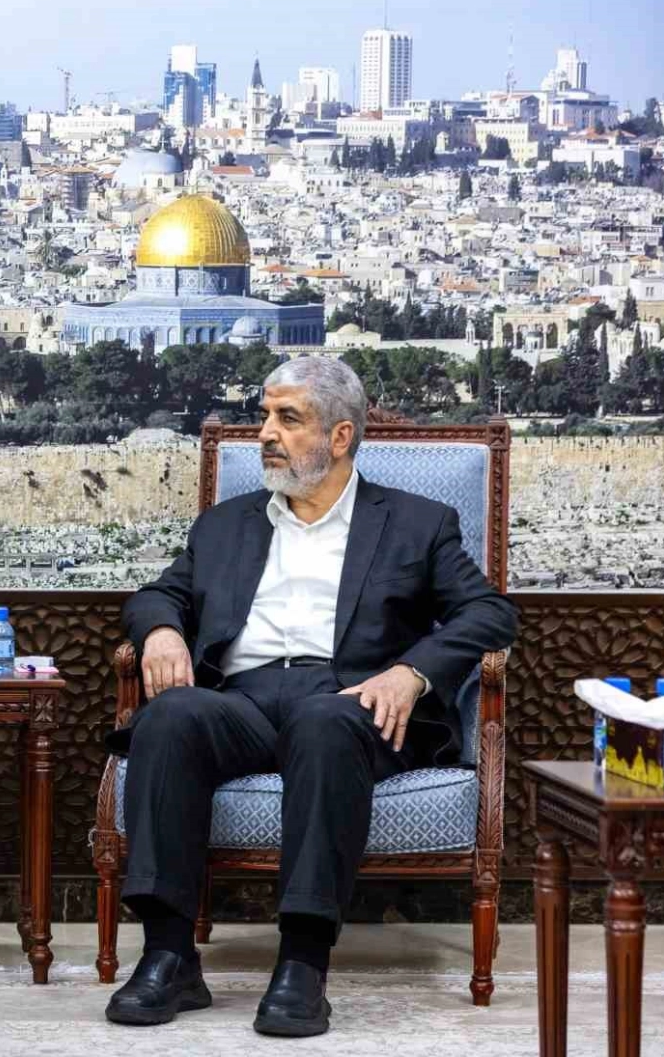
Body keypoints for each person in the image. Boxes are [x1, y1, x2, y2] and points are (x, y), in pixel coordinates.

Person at [103, 357, 517, 1036]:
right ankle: (168, 956)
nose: (265, 432)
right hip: (242, 700)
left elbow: (490, 613)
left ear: (339, 436)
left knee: (323, 724)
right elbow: (157, 595)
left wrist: (410, 673)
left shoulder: (416, 523)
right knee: (170, 716)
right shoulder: (226, 524)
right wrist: (161, 633)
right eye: (264, 416)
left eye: (287, 418)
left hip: (350, 701)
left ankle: (301, 963)